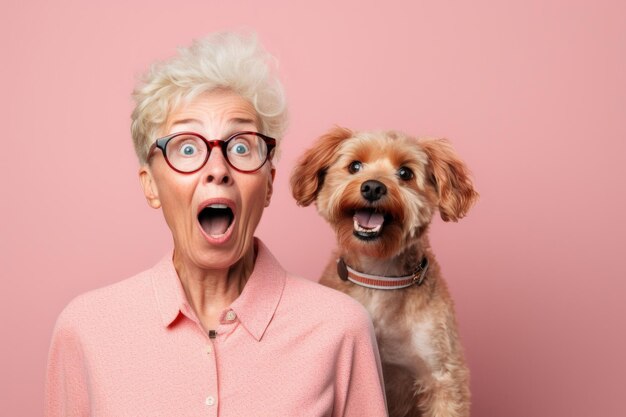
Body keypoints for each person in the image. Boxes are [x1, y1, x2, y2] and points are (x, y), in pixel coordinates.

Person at [44, 32, 388, 416]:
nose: (218, 169)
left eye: (241, 146)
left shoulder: (340, 328)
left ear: (270, 183)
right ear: (151, 186)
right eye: (187, 148)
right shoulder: (87, 329)